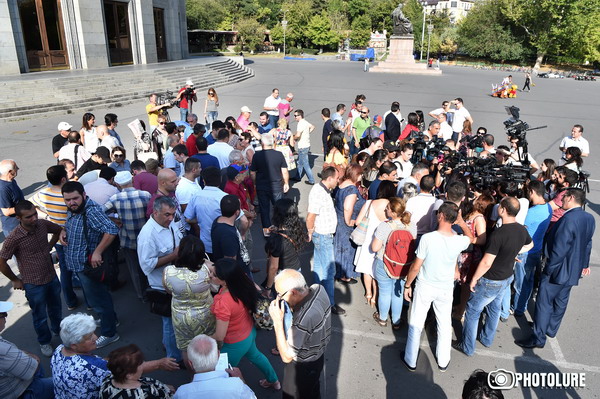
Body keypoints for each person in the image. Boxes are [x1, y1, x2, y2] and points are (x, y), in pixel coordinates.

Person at [515, 188, 595, 349]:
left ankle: (538, 337)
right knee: (561, 301)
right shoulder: (589, 218)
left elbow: (559, 248)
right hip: (573, 269)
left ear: (571, 197)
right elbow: (588, 243)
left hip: (558, 270)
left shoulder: (568, 219)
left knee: (544, 302)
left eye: (564, 197)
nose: (561, 200)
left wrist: (549, 268)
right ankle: (550, 329)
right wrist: (584, 264)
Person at [455, 197, 533, 356]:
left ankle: (467, 347)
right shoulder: (521, 229)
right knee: (494, 309)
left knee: (472, 311)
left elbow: (486, 262)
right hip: (506, 278)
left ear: (503, 210)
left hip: (490, 280)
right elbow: (529, 245)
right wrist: (513, 254)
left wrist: (475, 279)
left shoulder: (498, 234)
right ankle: (487, 338)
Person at [51, 313, 178, 399]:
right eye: (90, 337)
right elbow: (126, 369)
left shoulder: (59, 349)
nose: (96, 337)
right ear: (74, 345)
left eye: (93, 333)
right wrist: (159, 364)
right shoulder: (92, 367)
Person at [60, 181, 120, 349]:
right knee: (98, 297)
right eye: (67, 200)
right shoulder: (73, 208)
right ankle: (111, 319)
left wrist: (97, 252)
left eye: (75, 198)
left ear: (84, 196)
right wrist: (64, 230)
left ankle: (110, 333)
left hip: (88, 266)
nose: (71, 203)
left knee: (99, 299)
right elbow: (71, 222)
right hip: (78, 264)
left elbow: (112, 230)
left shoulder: (91, 211)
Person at [0, 200, 63, 357]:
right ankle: (44, 341)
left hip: (51, 276)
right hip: (33, 284)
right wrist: (15, 279)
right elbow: (1, 261)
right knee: (40, 316)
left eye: (35, 214)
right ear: (18, 218)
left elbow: (58, 230)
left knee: (56, 308)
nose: (34, 218)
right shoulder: (14, 238)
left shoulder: (42, 224)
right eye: (29, 217)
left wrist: (50, 245)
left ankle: (58, 331)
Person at [210, 258, 280, 390]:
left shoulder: (223, 302)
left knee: (222, 373)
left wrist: (205, 337)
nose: (210, 275)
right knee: (257, 356)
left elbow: (219, 336)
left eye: (214, 274)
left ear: (225, 280)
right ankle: (274, 381)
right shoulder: (243, 281)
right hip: (249, 332)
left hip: (234, 343)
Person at [269, 270, 331, 399]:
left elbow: (286, 357)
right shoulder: (318, 288)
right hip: (318, 357)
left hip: (302, 368)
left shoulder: (303, 319)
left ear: (293, 292)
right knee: (312, 390)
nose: (279, 298)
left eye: (280, 294)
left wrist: (277, 322)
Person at [138, 196, 183, 363]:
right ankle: (173, 359)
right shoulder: (148, 236)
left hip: (175, 280)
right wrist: (173, 255)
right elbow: (146, 266)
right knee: (170, 324)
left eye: (172, 214)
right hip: (162, 286)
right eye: (167, 215)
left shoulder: (169, 223)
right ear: (155, 212)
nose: (171, 218)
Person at [32, 165, 80, 310]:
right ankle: (90, 303)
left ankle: (70, 301)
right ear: (63, 178)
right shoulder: (68, 195)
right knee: (80, 269)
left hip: (58, 238)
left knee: (65, 271)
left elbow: (32, 205)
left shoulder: (42, 194)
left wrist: (47, 216)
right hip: (74, 236)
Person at [163, 236, 217, 361]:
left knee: (186, 347)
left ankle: (193, 372)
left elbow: (169, 291)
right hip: (205, 314)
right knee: (209, 344)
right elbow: (216, 287)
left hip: (181, 317)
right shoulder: (207, 269)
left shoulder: (168, 272)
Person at [104, 171, 151, 301]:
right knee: (150, 265)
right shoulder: (145, 195)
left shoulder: (115, 198)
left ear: (118, 183)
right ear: (132, 180)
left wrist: (114, 220)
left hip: (127, 239)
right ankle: (153, 290)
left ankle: (142, 295)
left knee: (134, 269)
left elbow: (101, 212)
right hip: (145, 238)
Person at [370, 197, 415, 328]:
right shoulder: (412, 226)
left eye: (388, 208)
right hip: (404, 265)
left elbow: (375, 248)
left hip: (384, 263)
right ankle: (396, 321)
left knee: (384, 291)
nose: (385, 209)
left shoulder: (385, 226)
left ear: (393, 213)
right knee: (398, 293)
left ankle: (383, 318)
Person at [307, 167, 345, 315]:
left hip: (322, 234)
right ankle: (329, 303)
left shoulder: (321, 189)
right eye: (337, 178)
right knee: (329, 271)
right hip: (323, 235)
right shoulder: (319, 192)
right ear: (329, 179)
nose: (338, 181)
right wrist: (310, 231)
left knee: (318, 266)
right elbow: (311, 216)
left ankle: (315, 296)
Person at [511, 180, 552, 317]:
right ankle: (520, 306)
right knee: (527, 281)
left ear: (532, 192)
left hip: (525, 252)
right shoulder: (548, 208)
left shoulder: (532, 212)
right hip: (537, 250)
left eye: (528, 192)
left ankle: (517, 307)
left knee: (520, 283)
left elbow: (520, 231)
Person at [0, 301, 55, 399]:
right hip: (21, 392)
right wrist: (32, 357)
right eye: (3, 314)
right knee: (63, 384)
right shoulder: (3, 351)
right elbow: (33, 366)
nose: (6, 317)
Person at [354, 180, 396, 307]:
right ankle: (375, 297)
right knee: (377, 271)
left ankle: (368, 293)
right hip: (383, 242)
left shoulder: (369, 203)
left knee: (366, 270)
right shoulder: (392, 207)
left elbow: (357, 222)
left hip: (367, 240)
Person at [174, 334, 256, 399]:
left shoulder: (182, 393)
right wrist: (241, 379)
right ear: (218, 355)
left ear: (190, 363)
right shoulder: (237, 386)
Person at [263, 199, 306, 294]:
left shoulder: (277, 240)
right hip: (296, 270)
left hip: (284, 277)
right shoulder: (297, 228)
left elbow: (273, 267)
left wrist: (268, 288)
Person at [250, 134, 289, 236]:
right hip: (276, 185)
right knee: (279, 208)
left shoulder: (257, 155)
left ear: (262, 143)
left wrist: (255, 183)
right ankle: (280, 228)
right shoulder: (279, 155)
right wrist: (286, 183)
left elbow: (252, 172)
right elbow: (284, 171)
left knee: (264, 209)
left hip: (261, 186)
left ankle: (267, 232)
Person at [184, 167, 229, 256]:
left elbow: (188, 219)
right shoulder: (225, 197)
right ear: (220, 179)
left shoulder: (196, 197)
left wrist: (201, 219)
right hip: (224, 242)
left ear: (204, 181)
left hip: (206, 244)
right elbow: (243, 220)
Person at [100, 344, 174, 399]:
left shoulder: (107, 381)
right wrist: (165, 390)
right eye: (140, 363)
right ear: (129, 375)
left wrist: (163, 386)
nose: (144, 363)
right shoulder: (145, 394)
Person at [334, 164, 366, 284]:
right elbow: (348, 208)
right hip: (346, 221)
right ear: (356, 175)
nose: (361, 176)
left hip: (339, 217)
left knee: (339, 246)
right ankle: (345, 275)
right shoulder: (352, 189)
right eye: (360, 174)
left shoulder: (342, 184)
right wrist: (348, 221)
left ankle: (338, 272)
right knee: (347, 248)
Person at [211, 195, 251, 278]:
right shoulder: (228, 235)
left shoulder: (219, 220)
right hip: (240, 274)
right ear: (237, 212)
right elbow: (230, 264)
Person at [0, 159, 25, 238]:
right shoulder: (3, 189)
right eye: (16, 167)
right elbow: (6, 211)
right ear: (10, 171)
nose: (18, 168)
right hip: (12, 227)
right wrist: (25, 207)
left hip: (20, 222)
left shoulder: (12, 181)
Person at [293, 110, 315, 185]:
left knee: (305, 164)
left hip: (302, 146)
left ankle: (311, 180)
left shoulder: (300, 124)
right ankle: (297, 176)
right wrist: (307, 134)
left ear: (300, 116)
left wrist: (293, 138)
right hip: (306, 145)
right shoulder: (305, 122)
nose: (295, 117)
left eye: (296, 115)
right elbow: (312, 127)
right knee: (300, 162)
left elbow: (298, 135)